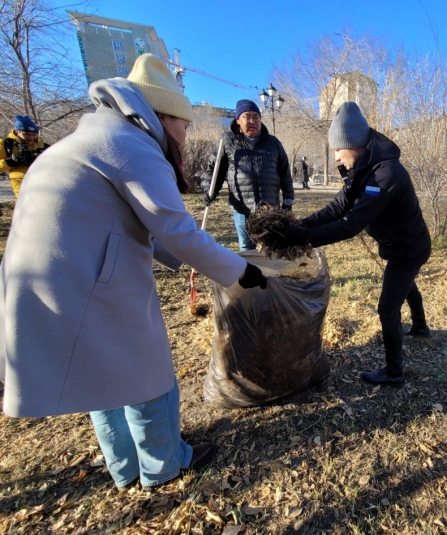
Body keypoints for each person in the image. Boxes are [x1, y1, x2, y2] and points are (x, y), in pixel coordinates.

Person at [0, 54, 268, 492]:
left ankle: (125, 467)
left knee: (101, 374)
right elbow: (176, 229)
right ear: (162, 116)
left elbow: (137, 221)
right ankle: (164, 463)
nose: (185, 134)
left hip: (36, 279)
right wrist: (240, 271)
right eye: (183, 125)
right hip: (86, 279)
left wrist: (185, 260)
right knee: (148, 369)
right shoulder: (132, 145)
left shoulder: (92, 136)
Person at [266, 102, 431, 387]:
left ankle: (395, 373)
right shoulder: (362, 171)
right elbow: (335, 209)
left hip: (409, 249)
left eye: (337, 150)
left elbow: (350, 224)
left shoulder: (385, 174)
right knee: (406, 285)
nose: (336, 158)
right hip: (400, 246)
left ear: (352, 143)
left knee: (387, 309)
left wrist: (298, 239)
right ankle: (421, 326)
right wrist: (299, 226)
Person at [202, 99, 294, 251]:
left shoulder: (273, 143)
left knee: (272, 248)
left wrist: (288, 199)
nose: (252, 121)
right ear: (238, 120)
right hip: (242, 209)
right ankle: (252, 274)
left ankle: (270, 275)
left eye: (256, 117)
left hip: (269, 209)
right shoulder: (227, 141)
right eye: (247, 116)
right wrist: (209, 190)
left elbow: (285, 173)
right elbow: (214, 172)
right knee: (247, 249)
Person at [0, 115, 51, 197]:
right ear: (17, 131)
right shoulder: (6, 144)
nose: (31, 137)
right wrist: (11, 162)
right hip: (21, 182)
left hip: (44, 181)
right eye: (27, 134)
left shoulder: (42, 145)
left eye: (34, 135)